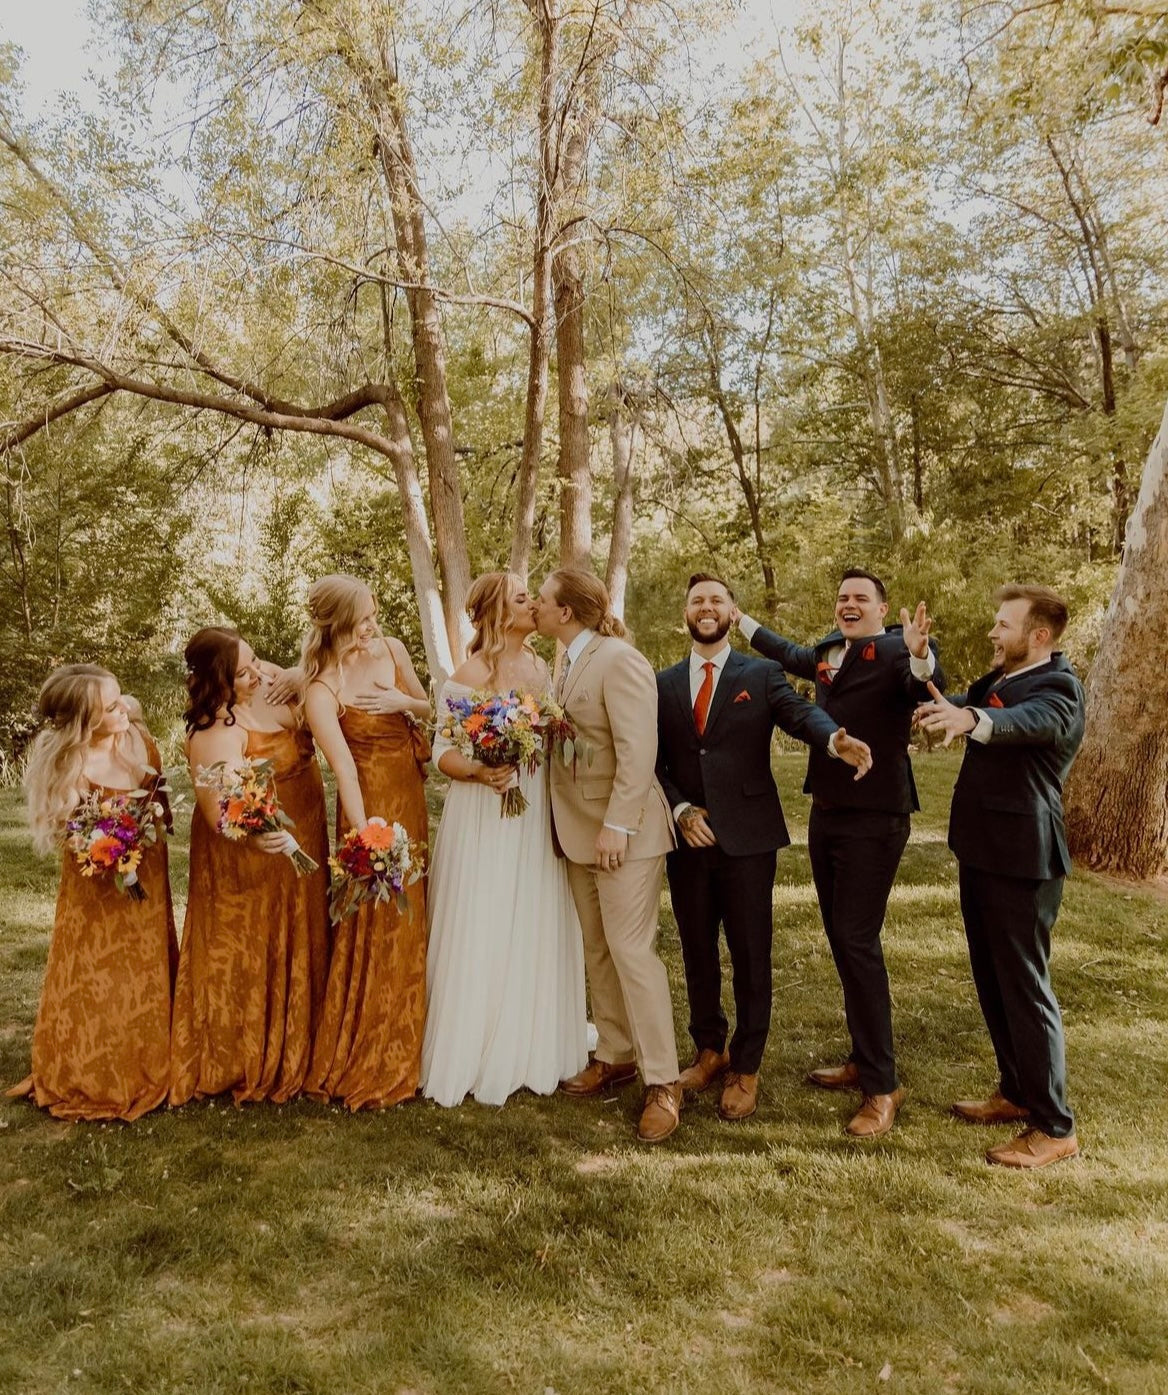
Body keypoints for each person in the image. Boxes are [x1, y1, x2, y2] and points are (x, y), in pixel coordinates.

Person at [655, 574, 872, 1122]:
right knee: (697, 949)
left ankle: (746, 1065)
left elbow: (802, 716)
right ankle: (710, 1049)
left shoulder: (763, 673)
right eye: (697, 600)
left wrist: (834, 739)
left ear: (733, 612)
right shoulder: (661, 683)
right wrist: (679, 810)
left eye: (716, 600)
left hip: (749, 839)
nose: (706, 607)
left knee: (751, 952)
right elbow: (651, 759)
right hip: (688, 840)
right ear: (686, 613)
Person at [736, 570, 941, 1138]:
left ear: (882, 607)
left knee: (857, 939)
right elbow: (789, 653)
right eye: (843, 598)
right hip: (826, 813)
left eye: (861, 599)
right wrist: (740, 619)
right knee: (843, 937)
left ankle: (882, 1085)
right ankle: (860, 1058)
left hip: (876, 817)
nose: (849, 606)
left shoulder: (903, 650)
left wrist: (923, 657)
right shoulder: (830, 649)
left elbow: (922, 683)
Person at [915, 584, 1085, 1169]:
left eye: (1003, 625)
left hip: (1024, 860)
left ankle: (1055, 1126)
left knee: (1026, 988)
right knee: (992, 979)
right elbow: (968, 702)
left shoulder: (1058, 686)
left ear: (1038, 636)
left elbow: (1026, 723)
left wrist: (970, 718)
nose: (993, 632)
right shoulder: (1000, 682)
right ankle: (1015, 1093)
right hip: (982, 852)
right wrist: (928, 675)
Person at [421, 571, 588, 1106]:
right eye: (523, 599)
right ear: (497, 613)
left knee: (534, 911)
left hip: (535, 804)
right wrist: (480, 771)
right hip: (484, 810)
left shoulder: (543, 666)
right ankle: (478, 1040)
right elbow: (440, 752)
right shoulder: (471, 673)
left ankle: (533, 1036)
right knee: (486, 915)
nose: (534, 605)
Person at [532, 567, 682, 1144]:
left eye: (543, 600)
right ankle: (616, 1053)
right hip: (576, 830)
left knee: (631, 951)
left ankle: (663, 1082)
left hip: (625, 835)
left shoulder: (620, 660)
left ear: (566, 611)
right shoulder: (564, 661)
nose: (536, 607)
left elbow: (638, 749)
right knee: (597, 948)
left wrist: (618, 826)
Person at [170, 628, 330, 1106]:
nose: (258, 673)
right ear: (219, 682)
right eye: (244, 672)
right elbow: (219, 810)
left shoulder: (270, 679)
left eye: (255, 660)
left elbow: (323, 678)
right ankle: (245, 1051)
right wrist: (262, 839)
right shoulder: (215, 733)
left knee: (304, 935)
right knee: (253, 943)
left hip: (307, 836)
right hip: (254, 855)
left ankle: (308, 1036)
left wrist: (300, 674)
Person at [9, 665, 176, 1121]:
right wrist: (107, 844)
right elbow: (72, 833)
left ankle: (152, 1051)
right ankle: (100, 1066)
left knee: (145, 962)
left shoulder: (132, 727)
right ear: (84, 722)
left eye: (120, 697)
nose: (124, 707)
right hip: (100, 881)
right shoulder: (72, 766)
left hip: (150, 871)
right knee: (103, 969)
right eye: (110, 707)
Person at [301, 574, 431, 1110]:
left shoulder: (394, 650)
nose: (373, 626)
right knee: (378, 923)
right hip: (369, 809)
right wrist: (367, 842)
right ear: (336, 625)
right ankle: (375, 1040)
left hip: (410, 796)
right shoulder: (321, 689)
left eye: (375, 614)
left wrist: (405, 699)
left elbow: (427, 709)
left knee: (414, 914)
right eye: (363, 620)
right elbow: (345, 772)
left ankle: (424, 1036)